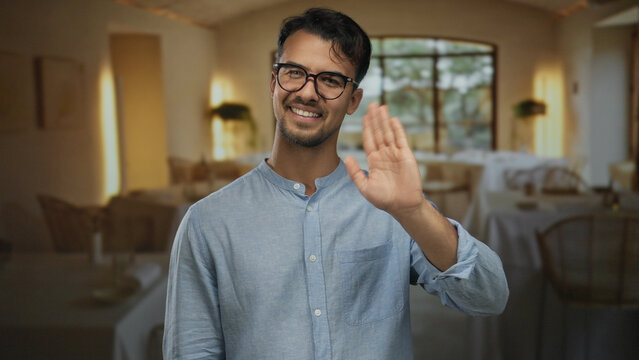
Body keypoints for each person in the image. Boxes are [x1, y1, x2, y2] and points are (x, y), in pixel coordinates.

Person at [163, 8, 508, 360]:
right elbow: (190, 352)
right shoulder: (207, 222)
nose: (308, 93)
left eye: (330, 80)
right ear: (273, 83)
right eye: (295, 73)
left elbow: (489, 297)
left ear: (352, 100)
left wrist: (415, 211)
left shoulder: (392, 209)